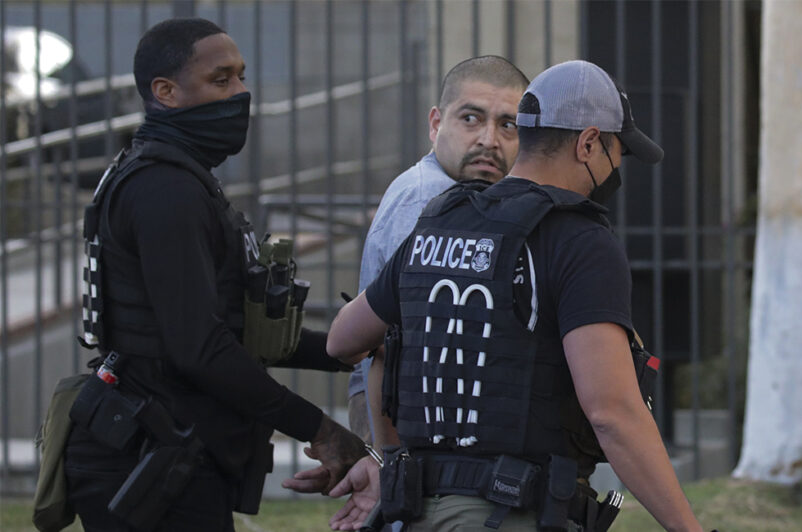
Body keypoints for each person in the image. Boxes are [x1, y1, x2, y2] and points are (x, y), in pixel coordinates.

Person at [321, 60, 706, 532]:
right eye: (616, 153)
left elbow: (344, 341)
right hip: (512, 511)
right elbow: (612, 414)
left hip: (421, 512)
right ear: (588, 143)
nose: (615, 169)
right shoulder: (581, 241)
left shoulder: (439, 220)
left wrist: (393, 453)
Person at [64, 18, 367, 531]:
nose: (241, 94)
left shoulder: (178, 177)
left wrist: (354, 347)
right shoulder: (164, 189)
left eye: (242, 77)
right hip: (144, 461)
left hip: (167, 450)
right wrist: (318, 428)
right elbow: (199, 348)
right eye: (221, 79)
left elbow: (236, 329)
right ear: (166, 92)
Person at [344, 56, 528, 445]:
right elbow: (394, 347)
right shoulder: (429, 201)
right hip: (415, 435)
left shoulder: (465, 201)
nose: (488, 140)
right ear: (435, 124)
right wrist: (385, 461)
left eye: (507, 125)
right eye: (471, 119)